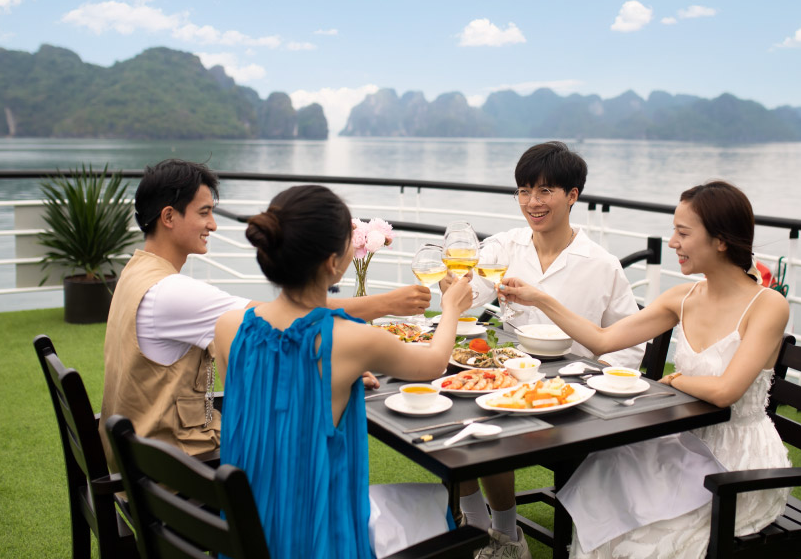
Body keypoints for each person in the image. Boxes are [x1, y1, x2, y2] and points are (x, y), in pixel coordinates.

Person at [498, 180, 791, 558]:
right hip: (684, 442)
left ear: (720, 240)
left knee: (649, 535)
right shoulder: (681, 297)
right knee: (604, 485)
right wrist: (539, 297)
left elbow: (725, 392)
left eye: (682, 233)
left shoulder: (769, 305)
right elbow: (603, 340)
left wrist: (676, 380)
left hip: (737, 463)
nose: (672, 243)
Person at [98, 159, 433, 469]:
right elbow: (281, 316)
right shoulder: (171, 293)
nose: (213, 225)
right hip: (177, 471)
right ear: (168, 217)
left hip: (143, 457)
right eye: (203, 213)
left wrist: (328, 373)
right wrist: (385, 304)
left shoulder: (137, 272)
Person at [213, 185, 474, 557]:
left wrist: (336, 380)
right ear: (333, 263)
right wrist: (450, 308)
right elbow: (433, 363)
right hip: (319, 538)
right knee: (432, 503)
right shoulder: (350, 340)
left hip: (249, 530)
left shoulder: (229, 327)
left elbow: (267, 405)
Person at [447, 141, 644, 559]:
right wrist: (454, 287)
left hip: (570, 397)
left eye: (545, 191)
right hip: (508, 381)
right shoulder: (505, 247)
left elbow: (630, 348)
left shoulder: (601, 265)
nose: (532, 203)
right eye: (524, 191)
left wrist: (590, 379)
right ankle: (484, 529)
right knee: (457, 418)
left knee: (484, 424)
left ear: (572, 196)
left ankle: (500, 534)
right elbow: (471, 293)